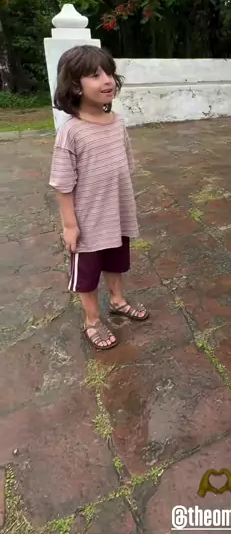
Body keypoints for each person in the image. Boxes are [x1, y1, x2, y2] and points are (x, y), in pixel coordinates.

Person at [49, 44, 149, 350]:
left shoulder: (117, 122)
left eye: (109, 73)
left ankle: (117, 300)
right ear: (75, 86)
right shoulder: (71, 132)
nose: (107, 80)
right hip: (88, 220)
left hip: (116, 212)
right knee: (88, 273)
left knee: (116, 261)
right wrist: (70, 225)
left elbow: (126, 164)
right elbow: (63, 184)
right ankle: (91, 320)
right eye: (95, 75)